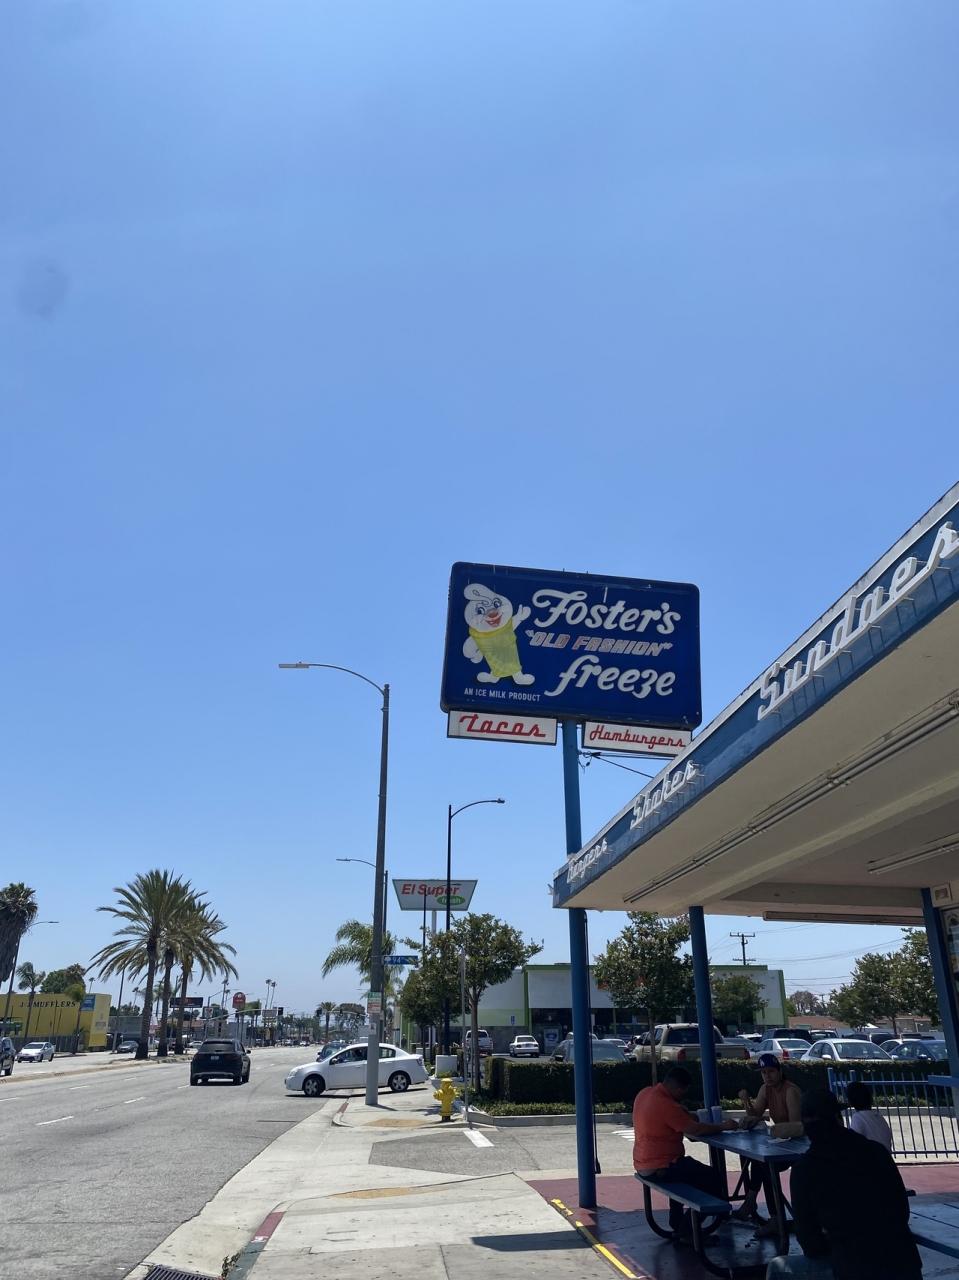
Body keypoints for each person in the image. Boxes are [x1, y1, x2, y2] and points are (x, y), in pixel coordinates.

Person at [766, 1089, 922, 1280]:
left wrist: (837, 1241)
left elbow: (810, 1243)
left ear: (805, 1126)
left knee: (777, 1268)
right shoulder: (876, 1152)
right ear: (839, 1118)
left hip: (856, 1268)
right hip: (905, 1264)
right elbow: (902, 1211)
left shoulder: (805, 1170)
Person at [633, 1064, 738, 1236]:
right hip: (661, 1166)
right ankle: (687, 1231)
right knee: (713, 1179)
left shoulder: (645, 1093)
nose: (683, 1096)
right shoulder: (667, 1105)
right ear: (678, 1088)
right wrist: (723, 1126)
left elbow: (678, 1119)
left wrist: (686, 1115)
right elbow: (694, 1130)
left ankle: (677, 1222)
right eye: (683, 1092)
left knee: (685, 1170)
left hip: (643, 1164)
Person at [735, 1053, 803, 1230]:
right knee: (759, 1161)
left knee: (765, 1165)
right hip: (781, 1142)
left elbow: (796, 1126)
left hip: (799, 1147)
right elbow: (754, 1115)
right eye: (763, 1072)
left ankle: (772, 1215)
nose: (767, 1076)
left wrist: (771, 1128)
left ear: (779, 1071)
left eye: (771, 1071)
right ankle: (763, 1209)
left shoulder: (790, 1091)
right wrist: (745, 1101)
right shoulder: (765, 1089)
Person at [845, 1081, 893, 1152]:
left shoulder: (858, 1118)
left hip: (872, 1157)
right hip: (885, 1156)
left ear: (850, 1101)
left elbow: (854, 1144)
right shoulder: (878, 1116)